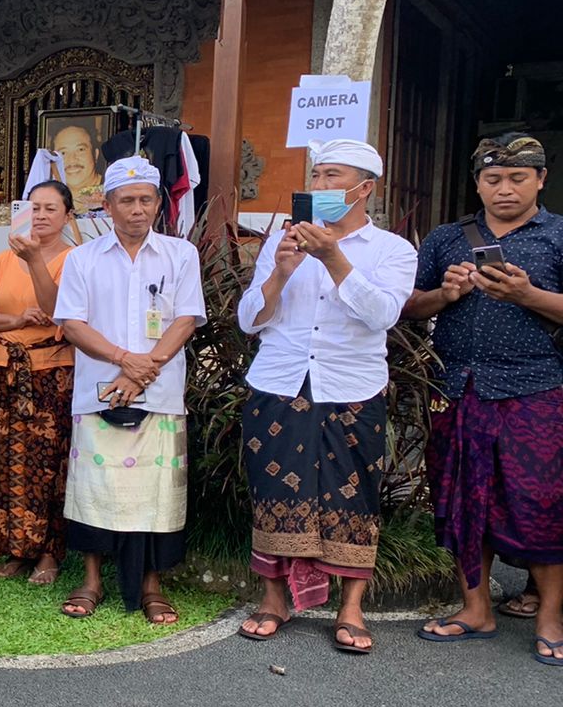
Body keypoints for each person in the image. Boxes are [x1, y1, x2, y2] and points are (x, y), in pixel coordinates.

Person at [234, 140, 416, 652]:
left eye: (332, 175)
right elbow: (250, 319)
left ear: (364, 188)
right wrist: (281, 272)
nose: (319, 186)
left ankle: (351, 608)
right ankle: (273, 598)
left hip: (352, 387)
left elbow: (382, 315)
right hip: (279, 381)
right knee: (272, 492)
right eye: (316, 176)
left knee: (353, 494)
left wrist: (333, 257)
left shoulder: (392, 251)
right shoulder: (281, 243)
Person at [405, 133, 563, 665]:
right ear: (477, 183)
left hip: (535, 386)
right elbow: (412, 307)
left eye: (518, 178)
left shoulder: (557, 236)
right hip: (457, 387)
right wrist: (446, 294)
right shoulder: (449, 238)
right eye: (493, 179)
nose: (505, 189)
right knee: (462, 497)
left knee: (541, 499)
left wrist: (527, 295)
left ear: (541, 179)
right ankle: (476, 607)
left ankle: (549, 615)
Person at [53, 157, 204, 622]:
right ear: (107, 206)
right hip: (98, 390)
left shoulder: (181, 255)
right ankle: (91, 580)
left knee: (155, 493)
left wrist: (141, 370)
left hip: (158, 393)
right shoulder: (82, 259)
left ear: (159, 203)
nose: (137, 209)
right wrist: (123, 360)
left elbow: (186, 319)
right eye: (127, 201)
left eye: (145, 200)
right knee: (95, 488)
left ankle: (152, 585)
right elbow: (72, 325)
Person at [0, 180, 78, 584]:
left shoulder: (74, 260)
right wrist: (15, 320)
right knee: (10, 460)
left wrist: (35, 261)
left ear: (68, 215)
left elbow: (57, 311)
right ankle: (16, 548)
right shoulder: (4, 259)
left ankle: (48, 553)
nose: (42, 215)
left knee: (47, 462)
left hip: (52, 370)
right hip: (7, 368)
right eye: (35, 208)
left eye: (51, 208)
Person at [53, 124, 104, 214]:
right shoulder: (51, 197)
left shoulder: (112, 193)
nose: (72, 160)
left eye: (80, 149)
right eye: (63, 153)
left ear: (95, 154)